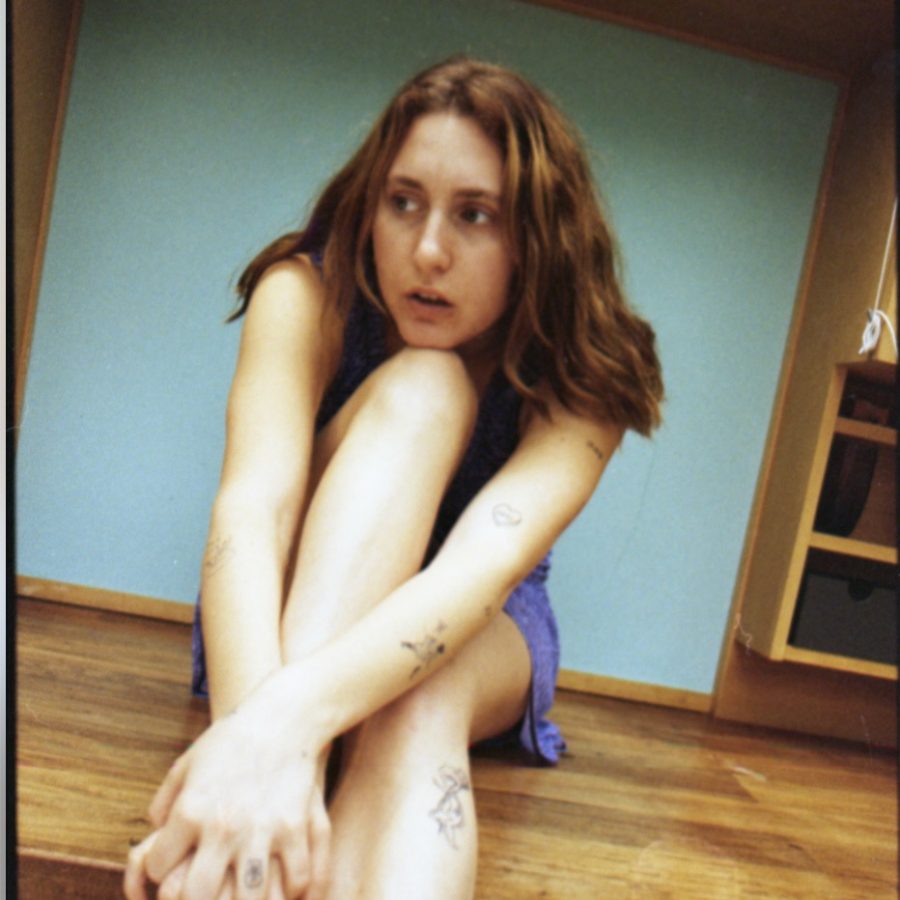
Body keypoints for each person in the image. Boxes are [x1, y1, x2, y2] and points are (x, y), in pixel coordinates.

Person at [125, 56, 663, 900]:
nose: (428, 250)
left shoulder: (585, 367)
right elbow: (254, 511)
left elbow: (479, 571)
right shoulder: (305, 294)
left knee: (422, 695)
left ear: (537, 238)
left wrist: (273, 731)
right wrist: (256, 738)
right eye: (403, 202)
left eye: (476, 215)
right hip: (291, 604)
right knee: (425, 388)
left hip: (480, 622)